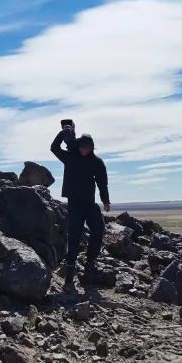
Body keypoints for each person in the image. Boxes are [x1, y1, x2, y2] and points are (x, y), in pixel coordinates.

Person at [50, 124, 111, 291]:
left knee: (98, 228)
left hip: (90, 203)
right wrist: (62, 133)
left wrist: (105, 200)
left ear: (92, 148)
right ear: (78, 146)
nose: (85, 150)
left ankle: (90, 262)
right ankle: (70, 271)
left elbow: (102, 183)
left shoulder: (97, 162)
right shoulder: (70, 157)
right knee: (74, 236)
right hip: (74, 204)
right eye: (83, 147)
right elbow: (54, 148)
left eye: (88, 148)